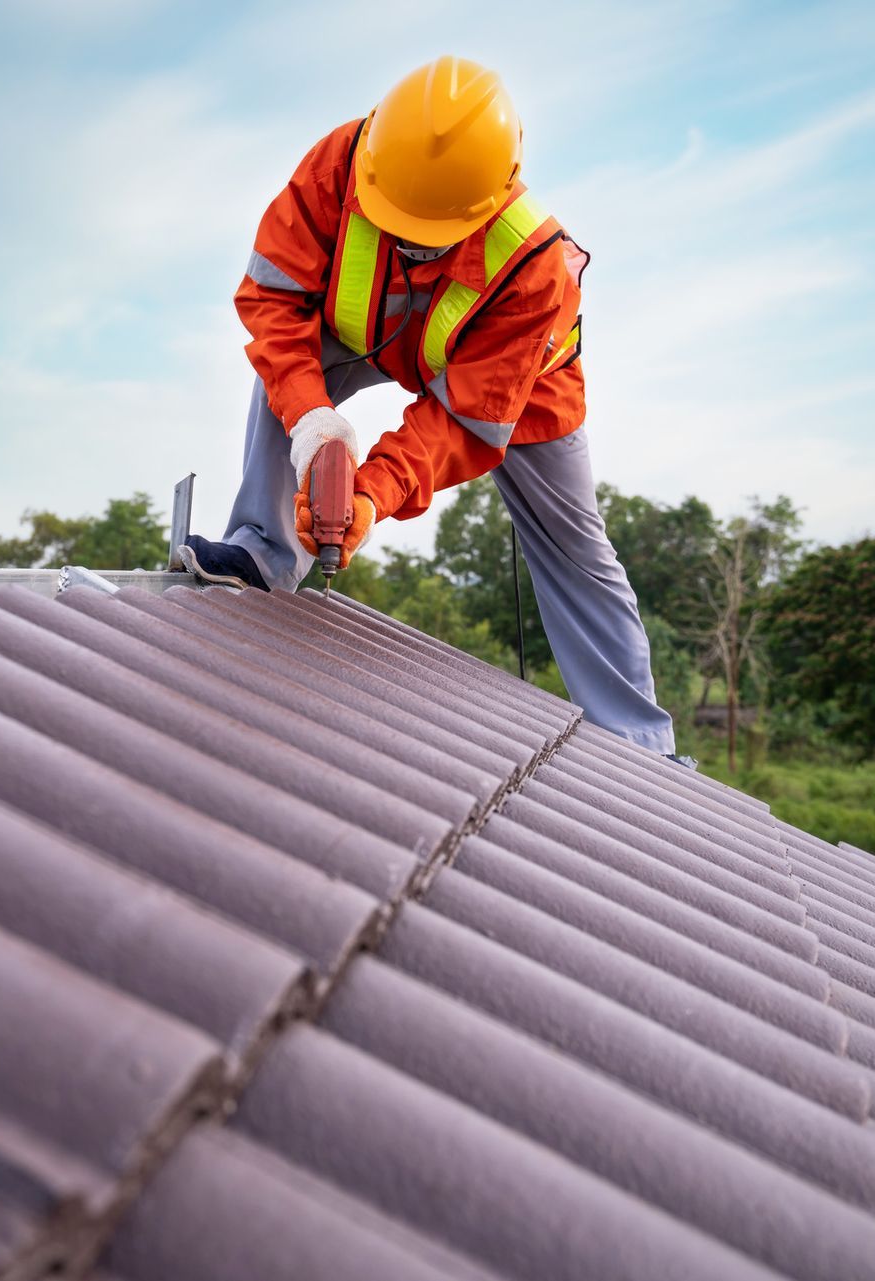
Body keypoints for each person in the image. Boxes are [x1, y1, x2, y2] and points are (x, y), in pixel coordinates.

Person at [175, 55, 679, 758]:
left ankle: (638, 742)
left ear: (483, 206)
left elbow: (465, 419)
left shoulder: (534, 266)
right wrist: (316, 428)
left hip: (512, 385)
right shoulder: (342, 164)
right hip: (361, 335)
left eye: (424, 229)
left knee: (576, 547)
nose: (404, 238)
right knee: (288, 374)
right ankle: (263, 551)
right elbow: (276, 300)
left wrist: (372, 494)